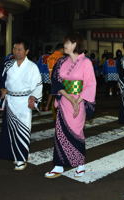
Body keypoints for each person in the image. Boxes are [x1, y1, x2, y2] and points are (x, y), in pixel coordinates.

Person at [44, 33, 96, 178]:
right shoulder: (61, 61)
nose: (64, 45)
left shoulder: (86, 62)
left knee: (76, 133)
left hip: (79, 101)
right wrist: (69, 98)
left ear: (75, 44)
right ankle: (59, 165)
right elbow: (56, 81)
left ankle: (80, 164)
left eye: (67, 43)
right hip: (65, 101)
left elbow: (90, 84)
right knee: (60, 133)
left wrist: (77, 101)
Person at [0, 38, 42, 170]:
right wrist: (2, 88)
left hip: (24, 102)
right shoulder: (7, 64)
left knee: (23, 130)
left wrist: (33, 98)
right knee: (9, 130)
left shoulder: (32, 67)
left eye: (19, 49)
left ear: (26, 51)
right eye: (14, 49)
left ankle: (21, 159)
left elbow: (38, 84)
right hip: (11, 101)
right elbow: (0, 79)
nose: (16, 52)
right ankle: (14, 155)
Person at [44, 43, 64, 112]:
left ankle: (48, 107)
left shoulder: (50, 57)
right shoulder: (62, 57)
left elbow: (49, 68)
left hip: (50, 78)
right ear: (61, 49)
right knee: (60, 95)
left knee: (52, 93)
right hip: (59, 79)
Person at [37, 45, 52, 110]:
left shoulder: (41, 57)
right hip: (48, 76)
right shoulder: (52, 57)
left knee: (42, 91)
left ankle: (40, 106)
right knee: (50, 91)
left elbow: (38, 66)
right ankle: (46, 106)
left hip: (41, 76)